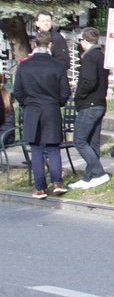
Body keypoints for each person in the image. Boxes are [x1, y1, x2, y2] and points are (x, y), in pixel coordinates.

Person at [13, 30, 71, 198]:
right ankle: (57, 182)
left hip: (32, 110)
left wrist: (27, 103)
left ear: (34, 45)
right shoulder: (58, 66)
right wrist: (57, 103)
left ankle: (39, 187)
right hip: (51, 109)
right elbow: (65, 92)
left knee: (36, 149)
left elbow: (17, 91)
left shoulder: (24, 65)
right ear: (50, 45)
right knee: (53, 148)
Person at [69, 28, 110, 189]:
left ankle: (99, 173)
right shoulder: (101, 55)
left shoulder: (89, 57)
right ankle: (89, 177)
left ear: (84, 41)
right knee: (93, 142)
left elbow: (88, 81)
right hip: (100, 102)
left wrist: (78, 95)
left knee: (79, 140)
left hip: (89, 104)